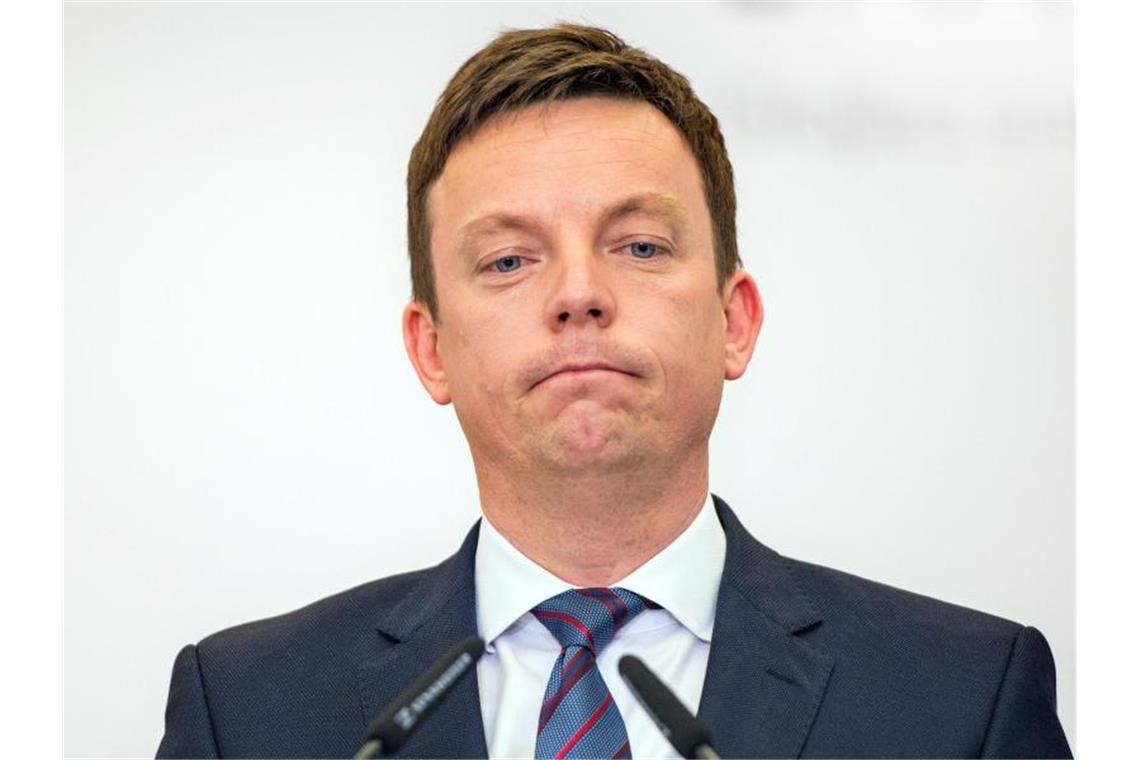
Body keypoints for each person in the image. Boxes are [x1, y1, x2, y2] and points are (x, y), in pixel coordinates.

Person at [156, 23, 1072, 759]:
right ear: (431, 350)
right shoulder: (247, 711)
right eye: (508, 260)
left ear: (735, 321)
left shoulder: (963, 700)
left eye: (639, 245)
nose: (579, 293)